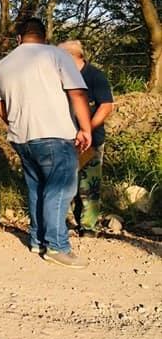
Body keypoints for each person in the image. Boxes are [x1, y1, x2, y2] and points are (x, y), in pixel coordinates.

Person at [0, 18, 92, 269]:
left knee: (37, 188)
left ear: (19, 38)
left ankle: (38, 240)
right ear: (45, 36)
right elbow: (77, 92)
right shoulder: (56, 55)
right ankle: (57, 246)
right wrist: (85, 128)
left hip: (21, 138)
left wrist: (15, 122)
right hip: (54, 133)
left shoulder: (3, 65)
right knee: (60, 189)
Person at [57, 40, 114, 237]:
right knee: (65, 184)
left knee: (89, 186)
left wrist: (86, 129)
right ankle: (66, 222)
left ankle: (88, 226)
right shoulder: (59, 77)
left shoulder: (95, 76)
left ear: (72, 56)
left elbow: (106, 106)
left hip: (92, 140)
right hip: (65, 140)